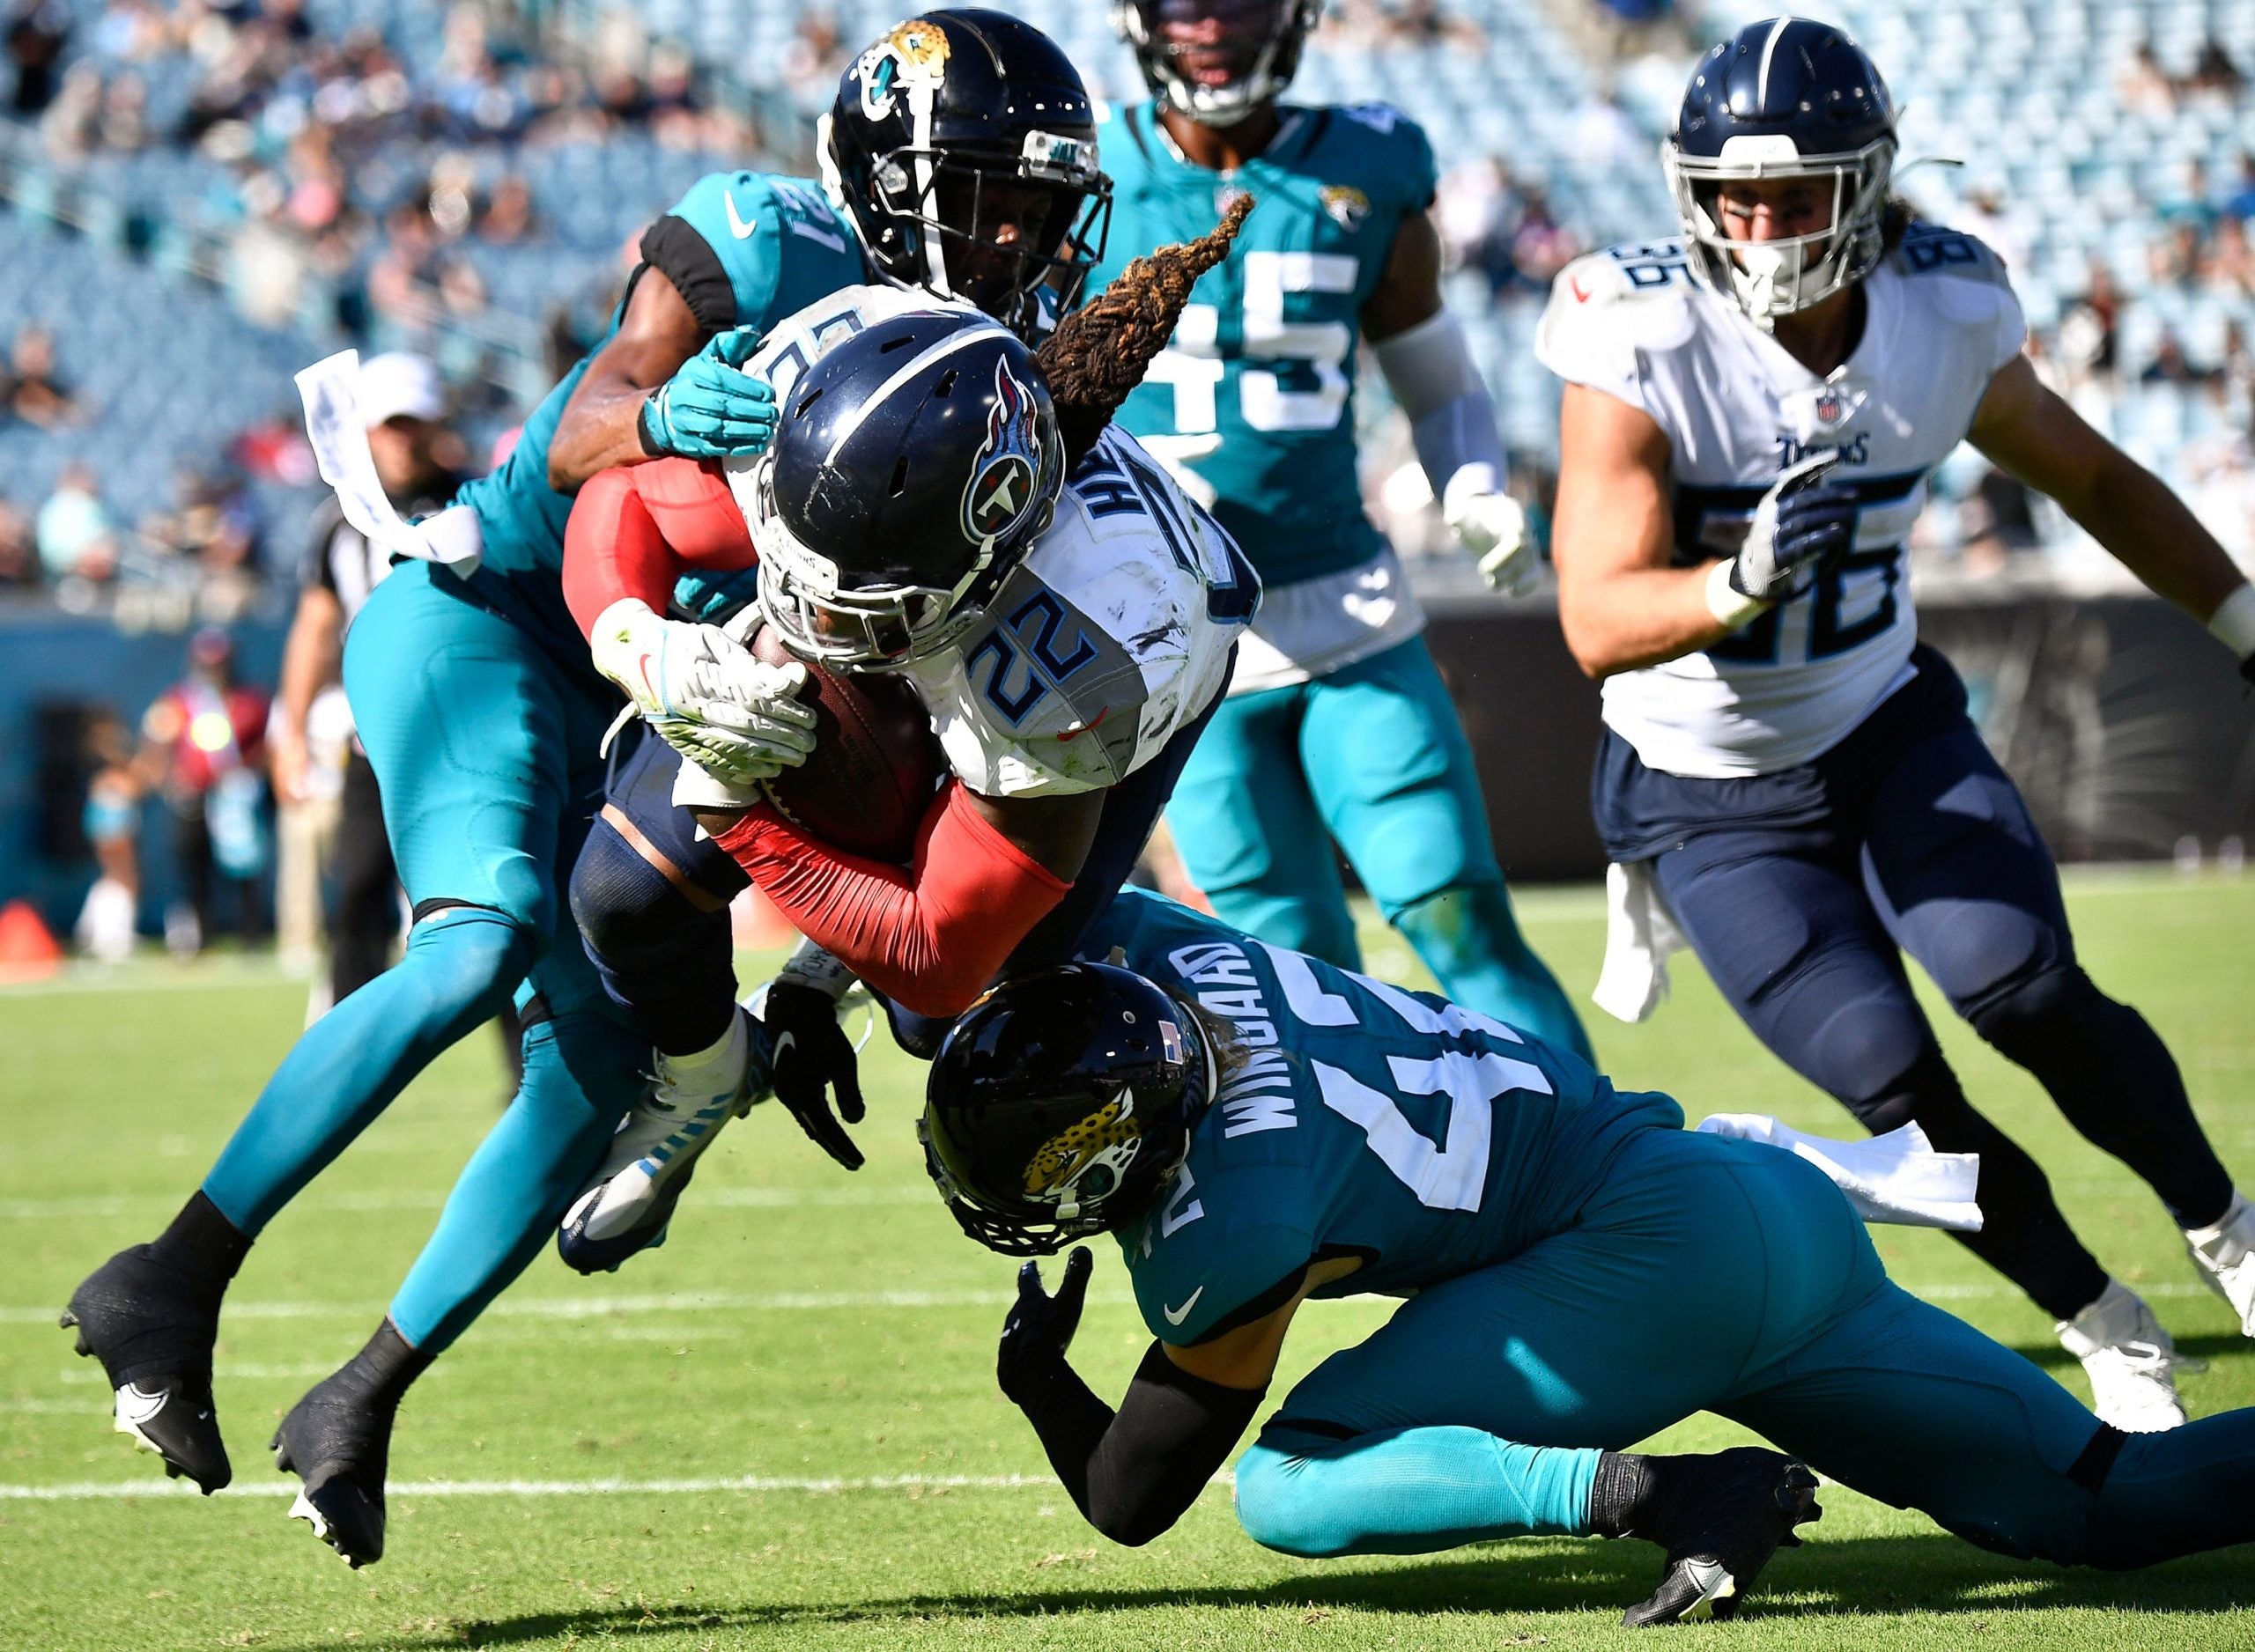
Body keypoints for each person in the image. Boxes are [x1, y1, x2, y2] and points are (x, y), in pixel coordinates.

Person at [60, 8, 1115, 1570]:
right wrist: (664, 417)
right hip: (499, 620)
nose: (1029, 236)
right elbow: (583, 433)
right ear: (909, 186)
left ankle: (359, 1399)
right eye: (1002, 199)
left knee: (591, 1070)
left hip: (648, 696)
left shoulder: (994, 363)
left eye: (1045, 205)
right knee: (477, 947)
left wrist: (826, 955)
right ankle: (172, 1276)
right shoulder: (765, 242)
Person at [1536, 18, 2255, 1432]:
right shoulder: (1639, 327)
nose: (1757, 228)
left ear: (1865, 187)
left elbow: (2097, 482)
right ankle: (2099, 1318)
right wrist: (1734, 580)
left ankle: (2229, 1227)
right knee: (1894, 1088)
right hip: (1708, 790)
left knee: (2022, 983)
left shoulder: (1941, 305)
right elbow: (1595, 620)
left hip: (1880, 722)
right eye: (1731, 197)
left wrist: (2243, 622)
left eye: (1793, 197)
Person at [921, 894, 2255, 1624]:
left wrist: (1044, 1383)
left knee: (1286, 1489)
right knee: (2107, 1503)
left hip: (1642, 1260)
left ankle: (1668, 1498)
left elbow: (1132, 1496)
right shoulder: (1159, 941)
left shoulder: (1238, 1216)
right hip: (1754, 1201)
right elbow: (998, 897)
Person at [554, 214, 1255, 1270]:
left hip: (1083, 677)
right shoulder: (835, 389)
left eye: (852, 606)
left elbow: (936, 955)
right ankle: (702, 1082)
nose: (806, 618)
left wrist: (741, 811)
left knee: (960, 1019)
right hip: (946, 613)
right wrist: (639, 644)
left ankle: (1216, 1009)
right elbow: (619, 500)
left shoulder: (1090, 650)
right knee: (621, 888)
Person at [1088, 0, 1590, 1061]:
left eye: (1240, 2)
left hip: (1345, 611)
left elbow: (1437, 373)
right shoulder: (1084, 173)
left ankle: (1602, 1165)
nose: (1212, 25)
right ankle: (1384, 1198)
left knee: (1454, 909)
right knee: (1286, 965)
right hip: (1178, 641)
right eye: (1186, 2)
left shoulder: (1366, 163)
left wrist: (1471, 486)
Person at [269, 352, 469, 1012]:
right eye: (390, 425)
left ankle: (533, 1068)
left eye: (413, 424)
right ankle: (345, 1052)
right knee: (357, 895)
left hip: (467, 741)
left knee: (487, 904)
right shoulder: (338, 522)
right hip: (374, 747)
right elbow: (315, 626)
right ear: (365, 430)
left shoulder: (473, 503)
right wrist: (290, 731)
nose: (403, 440)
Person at [139, 629, 270, 956]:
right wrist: (169, 779)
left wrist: (248, 774)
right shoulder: (180, 701)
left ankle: (250, 933)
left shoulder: (248, 701)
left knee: (244, 866)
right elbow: (157, 741)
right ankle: (200, 933)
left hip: (234, 798)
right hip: (193, 797)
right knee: (193, 867)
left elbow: (265, 747)